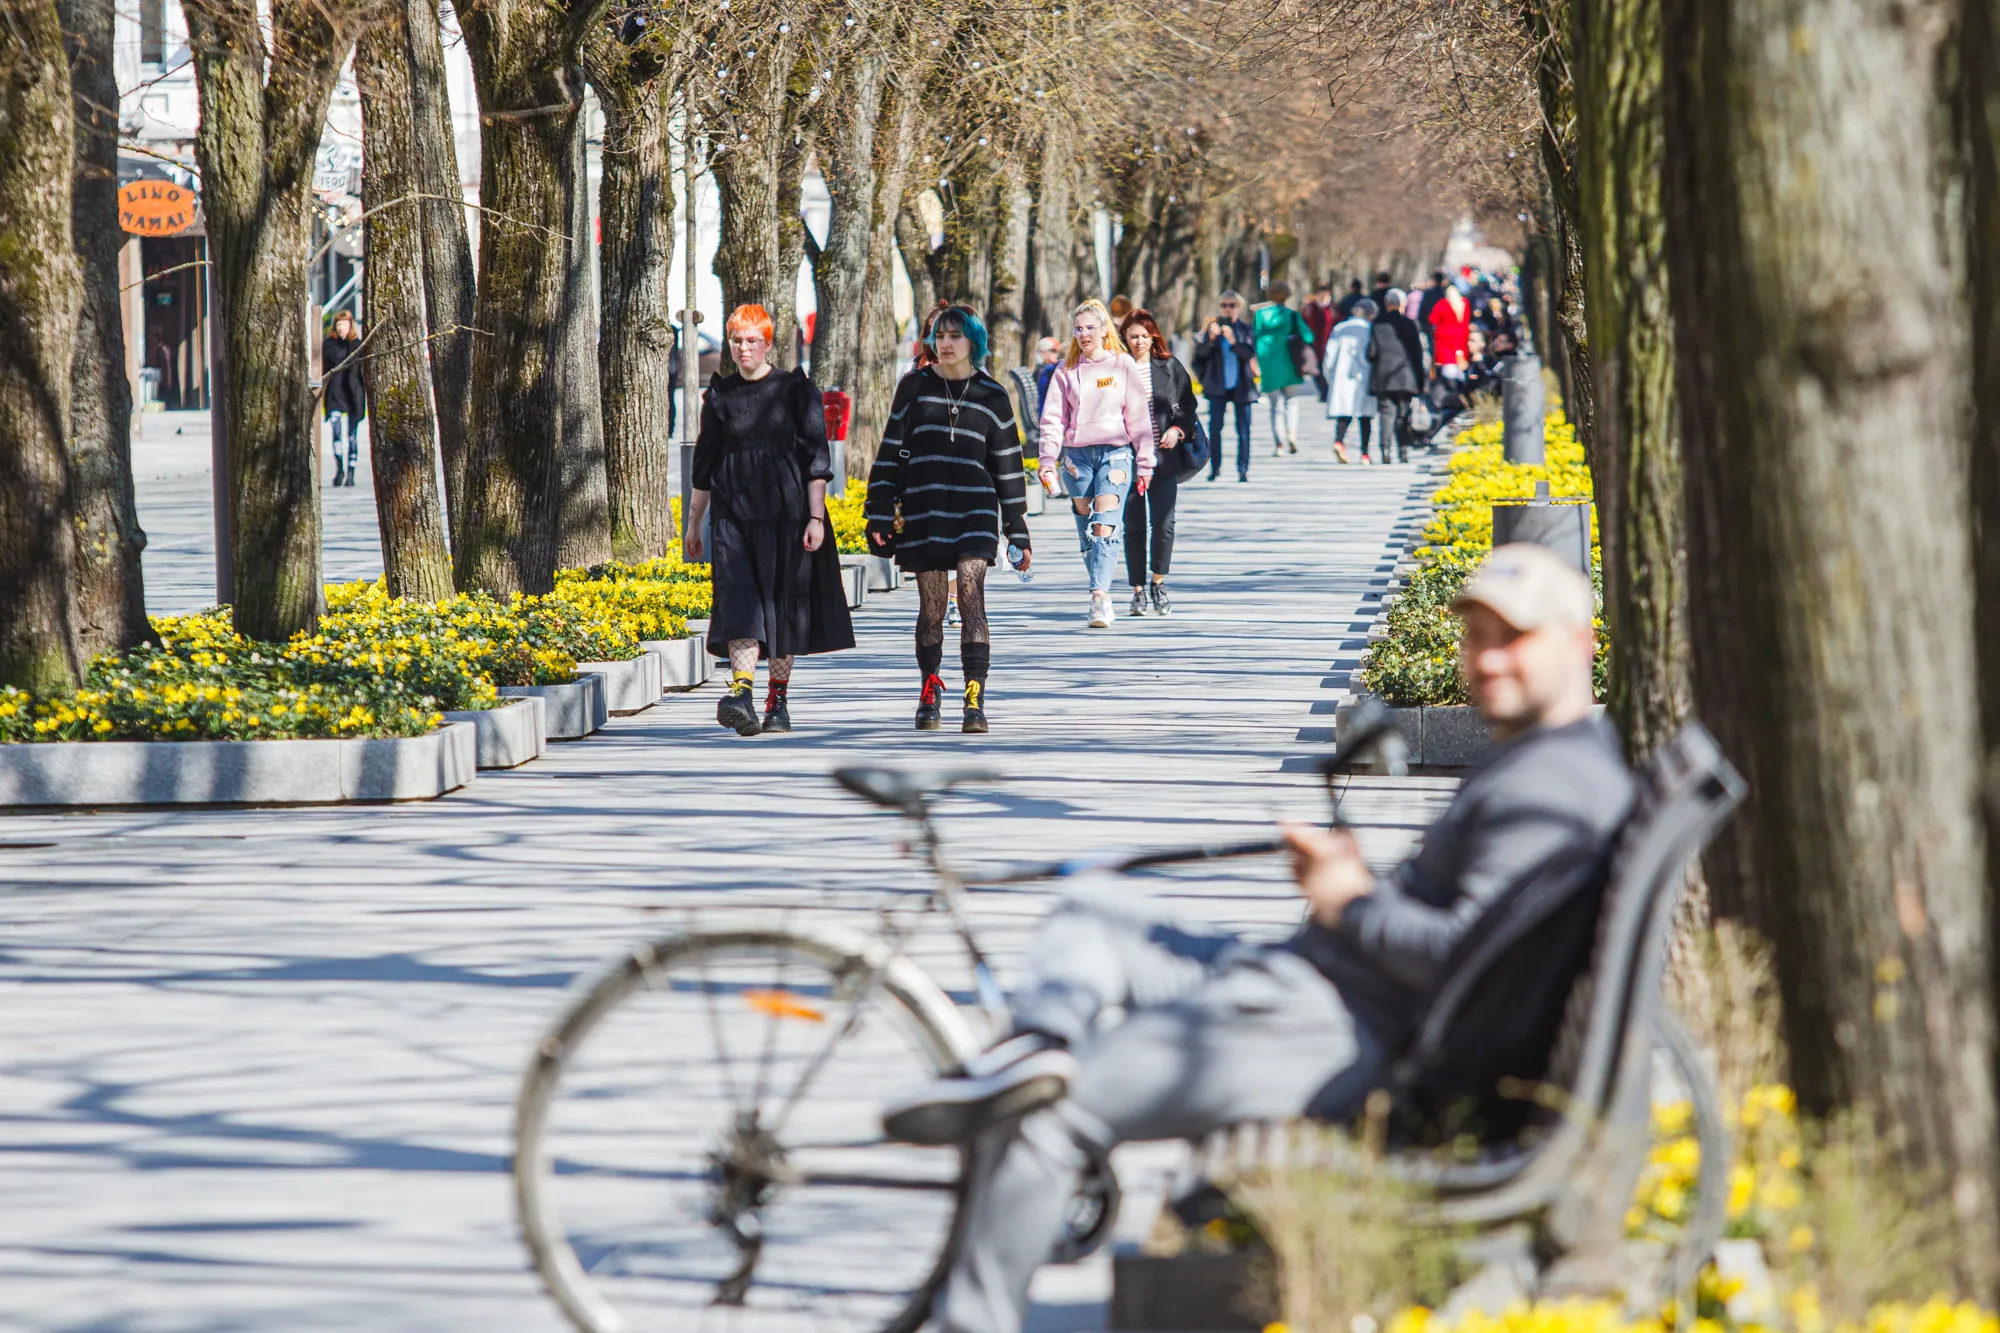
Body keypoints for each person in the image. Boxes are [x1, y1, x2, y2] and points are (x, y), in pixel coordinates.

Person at [887, 543, 1633, 1333]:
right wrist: (1356, 888)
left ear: (1581, 644)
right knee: (1096, 913)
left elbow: (1461, 959)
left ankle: (975, 1308)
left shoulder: (1551, 790)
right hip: (1316, 983)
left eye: (1512, 638)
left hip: (1339, 1028)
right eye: (1475, 637)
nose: (1486, 660)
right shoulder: (1554, 763)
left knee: (1043, 1116)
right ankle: (1034, 1045)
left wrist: (1349, 902)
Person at [684, 304, 855, 737]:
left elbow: (817, 460)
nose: (744, 349)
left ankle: (776, 699)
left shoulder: (796, 390)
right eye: (737, 341)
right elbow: (703, 467)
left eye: (752, 341)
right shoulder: (719, 397)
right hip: (733, 520)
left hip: (788, 516)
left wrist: (815, 517)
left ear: (767, 344)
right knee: (739, 601)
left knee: (783, 608)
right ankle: (741, 691)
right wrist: (693, 524)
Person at [866, 303, 1030, 733]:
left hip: (974, 509)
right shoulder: (914, 387)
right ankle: (930, 687)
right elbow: (889, 451)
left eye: (955, 335)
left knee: (972, 592)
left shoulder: (992, 394)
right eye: (940, 335)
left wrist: (1017, 529)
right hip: (925, 508)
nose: (945, 343)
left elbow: (1008, 467)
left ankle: (974, 697)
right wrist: (878, 512)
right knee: (932, 605)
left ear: (973, 341)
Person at [1037, 298, 1156, 629]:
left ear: (1105, 330)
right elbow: (1052, 420)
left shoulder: (1122, 365)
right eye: (1078, 329)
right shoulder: (1066, 371)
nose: (1084, 334)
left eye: (1090, 327)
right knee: (1087, 530)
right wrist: (1047, 460)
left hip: (1116, 454)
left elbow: (1138, 417)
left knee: (1104, 524)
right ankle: (1099, 583)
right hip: (1076, 460)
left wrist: (1145, 464)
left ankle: (1099, 597)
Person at [1118, 308, 1199, 618]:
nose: (1139, 341)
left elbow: (1188, 405)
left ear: (1154, 337)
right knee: (1133, 526)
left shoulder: (1169, 366)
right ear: (1124, 338)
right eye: (1133, 336)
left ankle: (1158, 583)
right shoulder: (1117, 369)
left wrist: (1177, 429)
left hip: (1164, 459)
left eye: (1144, 336)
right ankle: (1137, 590)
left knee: (1164, 524)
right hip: (1128, 458)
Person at [1191, 291, 1257, 482]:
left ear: (1239, 307)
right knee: (1215, 428)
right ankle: (1215, 467)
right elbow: (1198, 357)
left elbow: (1249, 353)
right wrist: (1211, 340)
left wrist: (1233, 341)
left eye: (1232, 305)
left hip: (1241, 386)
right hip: (1218, 387)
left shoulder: (1245, 329)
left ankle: (1243, 469)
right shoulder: (1212, 330)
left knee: (1243, 430)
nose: (1228, 309)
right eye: (1224, 305)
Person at [1251, 282, 1315, 457]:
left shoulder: (1261, 315)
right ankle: (1292, 434)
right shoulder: (1291, 315)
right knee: (1291, 401)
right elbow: (1309, 336)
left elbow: (1254, 337)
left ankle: (1279, 443)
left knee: (1275, 405)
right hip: (1289, 363)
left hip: (1269, 364)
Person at [1369, 289, 1426, 463]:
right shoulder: (1411, 324)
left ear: (1386, 304)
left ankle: (1385, 450)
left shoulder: (1377, 325)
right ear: (1403, 304)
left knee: (1386, 414)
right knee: (1403, 413)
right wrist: (1420, 380)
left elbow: (1371, 353)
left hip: (1384, 376)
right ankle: (1403, 450)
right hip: (1405, 376)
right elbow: (1417, 354)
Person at [1323, 298, 1378, 463]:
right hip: (1364, 375)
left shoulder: (1340, 328)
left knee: (1344, 412)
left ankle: (1339, 441)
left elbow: (1329, 356)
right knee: (1365, 416)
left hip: (1342, 375)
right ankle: (1365, 453)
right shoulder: (1369, 329)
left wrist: (1329, 376)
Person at [321, 311, 366, 488]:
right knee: (336, 433)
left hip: (353, 395)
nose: (341, 328)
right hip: (335, 395)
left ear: (350, 326)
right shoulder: (329, 345)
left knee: (352, 436)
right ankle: (339, 469)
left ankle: (351, 472)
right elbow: (330, 362)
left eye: (344, 324)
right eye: (338, 324)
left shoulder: (357, 345)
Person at [1428, 282, 1473, 389]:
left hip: (1445, 342)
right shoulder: (1465, 304)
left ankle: (1450, 392)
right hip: (1461, 340)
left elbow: (1432, 319)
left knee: (1448, 369)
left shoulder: (1442, 304)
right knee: (1460, 367)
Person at [1302, 282, 1337, 402]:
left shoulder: (1332, 308)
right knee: (1315, 369)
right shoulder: (1311, 307)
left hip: (1330, 342)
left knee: (1327, 368)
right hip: (1314, 342)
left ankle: (1329, 391)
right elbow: (1305, 321)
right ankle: (1324, 391)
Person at [1032, 335, 1064, 404]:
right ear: (1043, 353)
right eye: (1054, 351)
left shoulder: (1042, 369)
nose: (1057, 354)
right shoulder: (1045, 371)